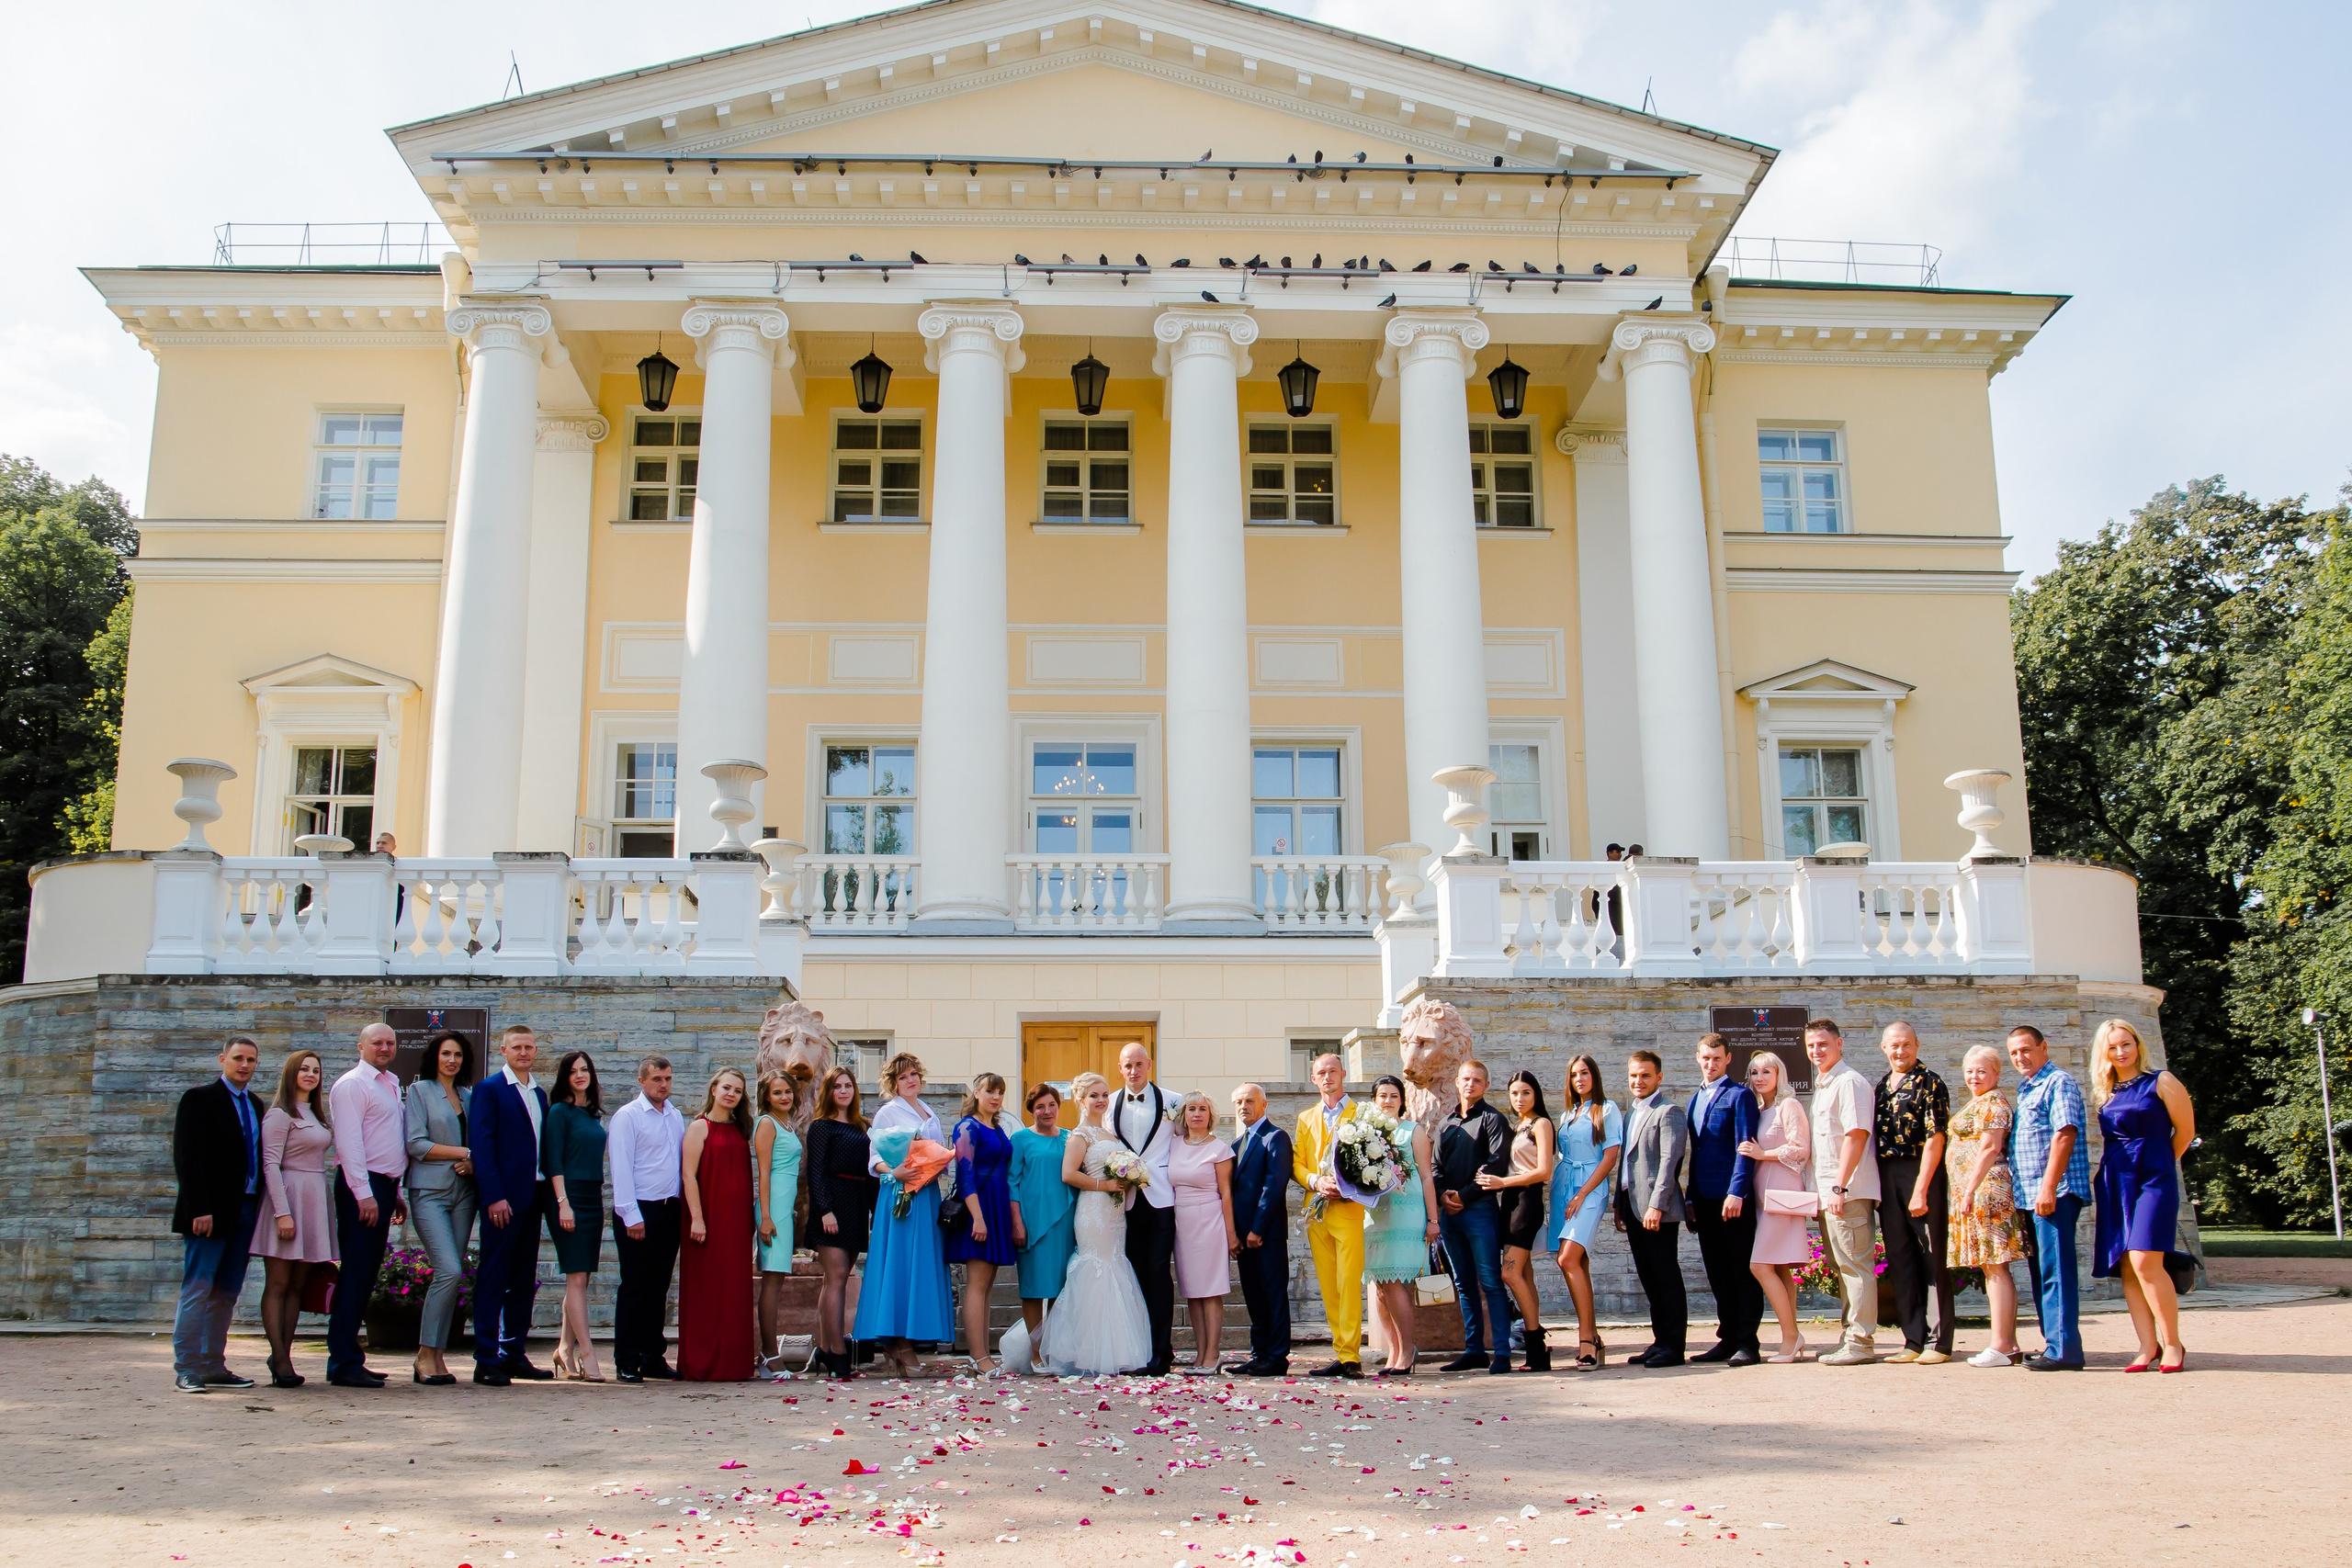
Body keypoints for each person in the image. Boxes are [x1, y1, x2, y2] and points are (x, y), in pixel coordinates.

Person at [2090, 1019, 2195, 1372]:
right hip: (2115, 1181)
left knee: (2146, 1260)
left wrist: (2162, 1164)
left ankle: (2173, 1344)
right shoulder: (2105, 1092)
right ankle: (2146, 1346)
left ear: (2138, 1045)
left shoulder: (2161, 1081)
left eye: (2126, 1044)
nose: (2120, 1052)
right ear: (2103, 1052)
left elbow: (2186, 1130)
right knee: (2127, 1265)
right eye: (2112, 1047)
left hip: (2154, 1180)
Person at [1038, 1072, 1154, 1375]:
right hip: (1093, 1212)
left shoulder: (1111, 1135)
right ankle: (1086, 1353)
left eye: (1104, 1095)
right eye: (1094, 1096)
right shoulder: (1080, 1136)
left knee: (1115, 1265)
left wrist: (1131, 1179)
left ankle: (1116, 1352)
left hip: (1116, 1215)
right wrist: (1105, 1187)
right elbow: (1068, 1174)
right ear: (1080, 1100)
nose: (1101, 1100)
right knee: (1096, 1268)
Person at [170, 1035, 266, 1393]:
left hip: (246, 1211)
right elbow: (187, 1158)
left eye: (251, 1060)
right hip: (208, 1213)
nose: (244, 1065)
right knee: (198, 1288)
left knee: (226, 1292)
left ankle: (213, 1364)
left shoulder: (256, 1105)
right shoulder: (199, 1100)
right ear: (222, 1059)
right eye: (238, 1058)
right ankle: (188, 1368)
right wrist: (200, 1208)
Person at [854, 1053, 955, 1376]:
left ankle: (905, 1342)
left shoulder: (928, 1112)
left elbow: (937, 1153)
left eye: (914, 1074)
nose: (910, 1080)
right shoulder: (887, 1113)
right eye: (903, 1077)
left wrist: (939, 1163)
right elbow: (875, 1158)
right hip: (900, 1194)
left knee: (920, 1265)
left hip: (925, 1195)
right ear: (893, 1083)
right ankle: (898, 1343)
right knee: (899, 1265)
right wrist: (894, 1173)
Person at [469, 1023, 551, 1386]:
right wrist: (493, 1196)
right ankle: (486, 1358)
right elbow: (482, 1148)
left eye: (529, 1047)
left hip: (532, 1198)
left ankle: (513, 1352)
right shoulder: (488, 1091)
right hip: (502, 1201)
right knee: (493, 1277)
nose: (524, 1053)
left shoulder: (540, 1094)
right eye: (517, 1047)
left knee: (522, 1280)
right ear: (503, 1050)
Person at [326, 1022, 408, 1388]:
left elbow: (387, 1139)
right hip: (363, 1186)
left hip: (384, 1186)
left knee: (366, 1275)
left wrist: (397, 1191)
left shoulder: (390, 1083)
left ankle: (351, 1357)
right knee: (356, 1274)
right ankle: (342, 1362)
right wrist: (364, 1193)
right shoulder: (352, 1085)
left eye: (390, 1042)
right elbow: (349, 1144)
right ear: (360, 1046)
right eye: (377, 1042)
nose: (384, 1047)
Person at [2007, 1024, 2090, 1372]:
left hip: (2053, 1192)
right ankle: (2053, 1344)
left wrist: (2047, 1187)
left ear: (2044, 1047)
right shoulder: (2027, 1088)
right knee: (2041, 1271)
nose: (2020, 1058)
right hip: (2031, 1195)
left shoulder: (2059, 1082)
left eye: (2026, 1049)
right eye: (2013, 1053)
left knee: (2056, 1271)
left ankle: (2065, 1351)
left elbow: (2064, 1134)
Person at [253, 1048, 335, 1388]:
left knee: (299, 1285)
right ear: (291, 1074)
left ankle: (283, 1353)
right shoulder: (279, 1114)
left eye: (315, 1070)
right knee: (279, 1283)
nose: (310, 1075)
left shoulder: (316, 1114)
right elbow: (270, 1163)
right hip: (287, 1198)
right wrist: (282, 1213)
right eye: (303, 1069)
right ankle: (281, 1359)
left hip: (314, 1196)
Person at [1875, 1021, 1955, 1363]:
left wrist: (1921, 1189)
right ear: (1884, 1048)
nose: (1900, 1052)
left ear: (1917, 1045)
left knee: (1931, 1256)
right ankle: (1913, 1340)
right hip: (1887, 1174)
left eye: (1906, 1045)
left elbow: (1937, 1137)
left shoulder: (1930, 1082)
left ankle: (1940, 1342)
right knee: (1901, 1258)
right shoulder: (1881, 1087)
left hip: (1921, 1171)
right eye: (1894, 1046)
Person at [607, 1055, 687, 1382]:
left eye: (667, 1078)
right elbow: (621, 1167)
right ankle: (626, 1358)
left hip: (670, 1210)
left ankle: (652, 1356)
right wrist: (631, 1215)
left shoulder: (675, 1116)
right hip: (639, 1210)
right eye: (656, 1079)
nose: (663, 1085)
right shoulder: (628, 1117)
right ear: (642, 1081)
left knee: (659, 1287)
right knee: (635, 1287)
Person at [401, 1031, 476, 1385]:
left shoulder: (469, 1096)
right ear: (435, 1056)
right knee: (447, 1269)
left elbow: (478, 1143)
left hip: (464, 1192)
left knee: (456, 1273)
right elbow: (416, 1143)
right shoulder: (418, 1092)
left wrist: (473, 1162)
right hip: (429, 1191)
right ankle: (424, 1353)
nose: (452, 1060)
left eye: (458, 1054)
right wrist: (464, 1154)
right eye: (446, 1053)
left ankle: (438, 1356)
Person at [1947, 1044, 2027, 1367]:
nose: (1974, 1076)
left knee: (1995, 1265)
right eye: (1969, 1071)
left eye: (1981, 1070)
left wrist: (1969, 1189)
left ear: (1996, 1073)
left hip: (1987, 1193)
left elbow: (1991, 1147)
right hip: (1975, 1194)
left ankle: (2002, 1344)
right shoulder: (1978, 1102)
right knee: (1990, 1266)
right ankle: (2005, 1342)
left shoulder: (1995, 1103)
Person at [1807, 1019, 1882, 1365]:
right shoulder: (1826, 1084)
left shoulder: (1849, 1082)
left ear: (1839, 1043)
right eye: (1811, 1046)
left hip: (1847, 1194)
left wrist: (1839, 1186)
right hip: (1830, 1194)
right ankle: (1849, 1337)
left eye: (1823, 1044)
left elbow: (1856, 1134)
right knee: (1843, 1267)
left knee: (1856, 1266)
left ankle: (1860, 1343)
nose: (1816, 1051)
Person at [1684, 1033, 1762, 1366]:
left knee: (1741, 1271)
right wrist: (1690, 1198)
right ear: (1698, 1058)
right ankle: (1727, 1338)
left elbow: (1746, 1147)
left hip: (1732, 1200)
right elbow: (1695, 1154)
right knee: (1716, 1272)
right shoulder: (1695, 1099)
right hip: (1703, 1198)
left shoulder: (1740, 1096)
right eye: (1705, 1058)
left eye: (1717, 1058)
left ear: (1728, 1058)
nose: (1711, 1064)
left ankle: (1748, 1342)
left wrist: (1737, 1191)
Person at [1433, 1059, 1514, 1373]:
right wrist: (1443, 1196)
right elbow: (1436, 1167)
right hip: (1450, 1214)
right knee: (1464, 1283)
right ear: (1457, 1082)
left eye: (1477, 1080)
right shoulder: (1446, 1124)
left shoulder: (1493, 1120)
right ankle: (1474, 1350)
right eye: (1466, 1079)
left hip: (1479, 1211)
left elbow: (1496, 1165)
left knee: (1491, 1281)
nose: (1470, 1084)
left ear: (1485, 1086)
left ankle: (1503, 1352)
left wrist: (1462, 1197)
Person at [679, 1066, 758, 1382]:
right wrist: (697, 1218)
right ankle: (702, 1361)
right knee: (707, 1289)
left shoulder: (741, 1129)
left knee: (734, 1290)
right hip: (707, 1220)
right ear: (714, 1089)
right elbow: (688, 1175)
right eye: (726, 1088)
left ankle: (734, 1363)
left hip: (737, 1222)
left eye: (737, 1091)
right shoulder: (700, 1127)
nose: (731, 1094)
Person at [1476, 1069, 1557, 1371]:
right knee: (1525, 1274)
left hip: (1526, 1202)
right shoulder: (1517, 1125)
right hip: (1508, 1203)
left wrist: (1502, 1183)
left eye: (1525, 1092)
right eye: (1514, 1093)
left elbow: (1544, 1171)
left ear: (1535, 1093)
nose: (1519, 1098)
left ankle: (1535, 1340)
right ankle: (1537, 1352)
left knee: (1509, 1274)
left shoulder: (1541, 1124)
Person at [1293, 1052, 1367, 1378]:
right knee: (1328, 1285)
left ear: (1344, 1074)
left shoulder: (1362, 1114)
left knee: (1348, 1282)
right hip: (1317, 1211)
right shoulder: (1305, 1118)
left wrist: (1346, 1183)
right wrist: (1314, 1180)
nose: (1327, 1077)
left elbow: (1373, 1161)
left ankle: (1351, 1355)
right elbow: (1297, 1163)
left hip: (1348, 1209)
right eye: (1321, 1073)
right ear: (1313, 1078)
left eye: (1332, 1071)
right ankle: (1341, 1350)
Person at [1737, 1052, 1815, 1361]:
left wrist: (1762, 1155)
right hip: (1763, 1197)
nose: (1759, 1078)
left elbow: (1800, 1150)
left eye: (1766, 1072)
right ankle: (1791, 1337)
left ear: (1779, 1074)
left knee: (1759, 1265)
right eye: (1754, 1072)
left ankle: (1792, 1337)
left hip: (1782, 1196)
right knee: (1780, 1268)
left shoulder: (1789, 1105)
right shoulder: (1760, 1109)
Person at [1363, 1074, 1440, 1377]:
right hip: (1377, 1216)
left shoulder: (1412, 1132)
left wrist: (1433, 1219)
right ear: (1374, 1100)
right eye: (1383, 1096)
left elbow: (1426, 1177)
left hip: (1406, 1213)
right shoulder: (1365, 1135)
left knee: (1395, 1284)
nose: (1388, 1101)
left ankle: (1408, 1350)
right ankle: (1393, 1350)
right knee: (1380, 1286)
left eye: (1394, 1096)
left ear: (1401, 1101)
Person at [1550, 1054, 1623, 1371]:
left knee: (1567, 1258)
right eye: (1574, 1075)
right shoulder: (1568, 1112)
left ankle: (1586, 1340)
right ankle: (1592, 1336)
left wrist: (1582, 1193)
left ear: (1595, 1075)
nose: (1579, 1079)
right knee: (1578, 1261)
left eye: (1585, 1073)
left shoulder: (1606, 1109)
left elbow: (1610, 1157)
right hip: (1564, 1187)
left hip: (1589, 1189)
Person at [1617, 1051, 1690, 1367]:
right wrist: (1620, 1205)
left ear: (1658, 1077)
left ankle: (1674, 1345)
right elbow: (1626, 1164)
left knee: (1665, 1274)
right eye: (1634, 1075)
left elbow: (1668, 1164)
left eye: (1645, 1075)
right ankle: (1660, 1340)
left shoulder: (1668, 1111)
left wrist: (1656, 1206)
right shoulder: (1630, 1114)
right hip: (1633, 1207)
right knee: (1648, 1275)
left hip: (1655, 1210)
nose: (1639, 1081)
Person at [1111, 1041, 1180, 1375]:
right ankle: (1138, 1350)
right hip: (1122, 1202)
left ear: (1149, 1064)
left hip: (1161, 1197)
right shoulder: (1108, 1104)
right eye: (1127, 1066)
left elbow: (1186, 1142)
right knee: (1132, 1276)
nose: (1133, 1071)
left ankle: (1161, 1353)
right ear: (1120, 1068)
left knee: (1157, 1273)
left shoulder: (1174, 1101)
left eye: (1139, 1064)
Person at [803, 1064, 873, 1380]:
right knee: (838, 1274)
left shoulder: (862, 1126)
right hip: (830, 1206)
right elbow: (814, 1172)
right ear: (828, 1092)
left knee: (842, 1279)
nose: (843, 1091)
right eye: (837, 1086)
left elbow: (872, 1172)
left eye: (848, 1085)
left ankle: (827, 1349)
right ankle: (838, 1352)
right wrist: (824, 1210)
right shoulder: (821, 1126)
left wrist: (875, 1211)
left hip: (856, 1204)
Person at [543, 1049, 609, 1382]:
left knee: (581, 1277)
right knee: (577, 1277)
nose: (580, 1075)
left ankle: (564, 1349)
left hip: (592, 1197)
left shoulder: (593, 1114)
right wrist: (562, 1202)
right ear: (565, 1077)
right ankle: (588, 1354)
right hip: (567, 1199)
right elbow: (553, 1161)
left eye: (585, 1069)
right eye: (573, 1071)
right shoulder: (559, 1112)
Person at [947, 1073, 1018, 1374]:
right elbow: (965, 1174)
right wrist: (977, 1217)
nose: (996, 1097)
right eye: (990, 1091)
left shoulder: (997, 1127)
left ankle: (983, 1353)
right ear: (976, 1093)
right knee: (976, 1284)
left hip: (998, 1207)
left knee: (987, 1285)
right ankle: (978, 1356)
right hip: (979, 1208)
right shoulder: (967, 1127)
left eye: (1000, 1092)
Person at [1169, 1090, 1239, 1372]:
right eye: (1191, 1109)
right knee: (1193, 1291)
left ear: (1211, 1115)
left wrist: (1231, 1234)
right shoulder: (1173, 1145)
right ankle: (1199, 1355)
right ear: (1183, 1116)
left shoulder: (1220, 1149)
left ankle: (1213, 1353)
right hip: (1181, 1220)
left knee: (1210, 1290)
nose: (1197, 1114)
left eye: (1202, 1109)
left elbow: (1226, 1193)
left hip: (1210, 1219)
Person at [1227, 1083, 1295, 1376]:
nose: (1244, 1106)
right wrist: (1237, 1234)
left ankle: (1277, 1356)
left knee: (1273, 1293)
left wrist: (1257, 1229)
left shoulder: (1275, 1137)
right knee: (1254, 1294)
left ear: (1263, 1105)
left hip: (1267, 1234)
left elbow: (1274, 1185)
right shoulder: (1235, 1145)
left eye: (1249, 1101)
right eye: (1239, 1101)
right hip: (1243, 1237)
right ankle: (1259, 1353)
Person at [1009, 1082, 1075, 1355]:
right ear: (1031, 1111)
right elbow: (1012, 1182)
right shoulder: (1021, 1140)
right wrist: (1017, 1222)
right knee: (1034, 1289)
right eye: (1040, 1107)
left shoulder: (1070, 1138)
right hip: (1033, 1222)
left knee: (1061, 1289)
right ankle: (1036, 1353)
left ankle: (1056, 1350)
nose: (1047, 1111)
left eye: (1052, 1105)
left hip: (1066, 1221)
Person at [753, 1072, 807, 1380]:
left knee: (779, 1280)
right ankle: (769, 1354)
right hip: (771, 1211)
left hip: (785, 1211)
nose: (784, 1097)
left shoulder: (787, 1124)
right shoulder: (766, 1124)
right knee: (772, 1281)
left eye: (788, 1091)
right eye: (777, 1093)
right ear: (767, 1096)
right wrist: (766, 1217)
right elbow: (763, 1173)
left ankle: (770, 1352)